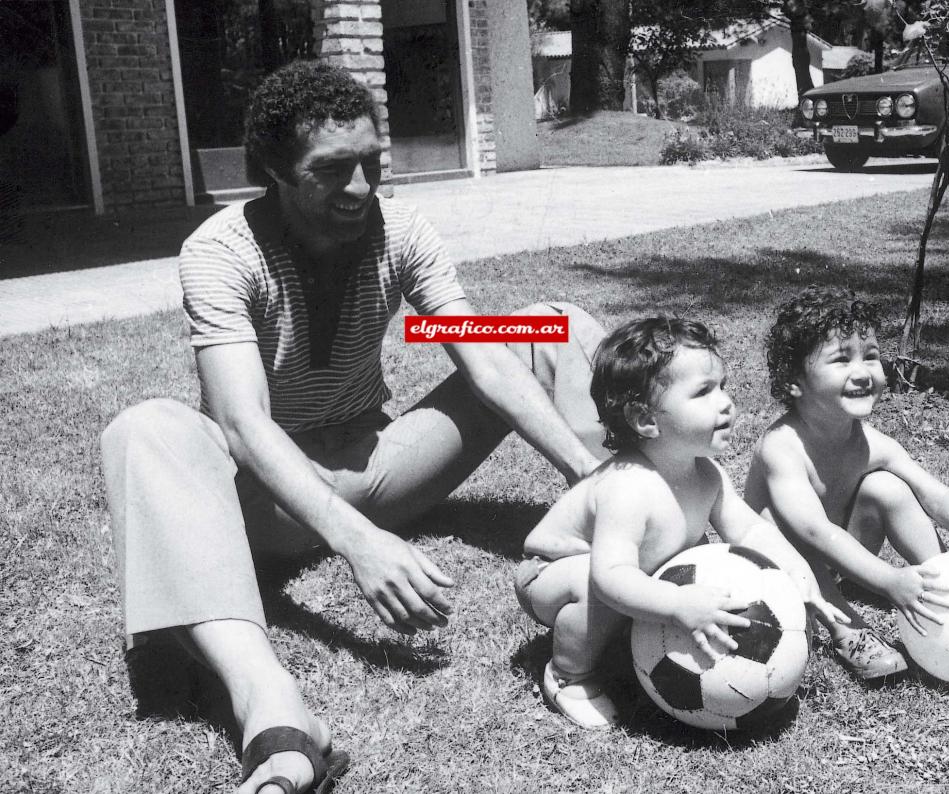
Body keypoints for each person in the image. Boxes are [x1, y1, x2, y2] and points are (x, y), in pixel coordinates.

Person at [100, 61, 607, 794]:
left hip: (380, 461)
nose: (361, 188)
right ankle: (271, 707)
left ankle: (632, 522)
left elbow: (483, 355)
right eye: (332, 170)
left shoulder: (400, 228)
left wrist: (587, 474)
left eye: (371, 163)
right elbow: (241, 426)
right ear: (273, 170)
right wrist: (358, 542)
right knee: (144, 428)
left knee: (549, 322)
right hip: (268, 498)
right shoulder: (220, 252)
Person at [514, 317, 846, 729]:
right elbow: (611, 577)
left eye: (722, 386)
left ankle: (621, 638)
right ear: (645, 420)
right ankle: (569, 674)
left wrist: (796, 569)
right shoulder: (628, 488)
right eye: (704, 392)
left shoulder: (706, 473)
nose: (726, 402)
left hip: (629, 572)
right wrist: (677, 604)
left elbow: (750, 531)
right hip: (554, 574)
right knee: (596, 586)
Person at [743, 288, 949, 680]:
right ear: (795, 383)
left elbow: (934, 493)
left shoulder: (869, 442)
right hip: (785, 568)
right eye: (841, 359)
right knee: (780, 528)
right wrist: (887, 580)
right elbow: (814, 532)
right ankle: (845, 626)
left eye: (870, 355)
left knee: (889, 487)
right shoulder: (782, 447)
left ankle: (944, 585)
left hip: (840, 559)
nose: (863, 371)